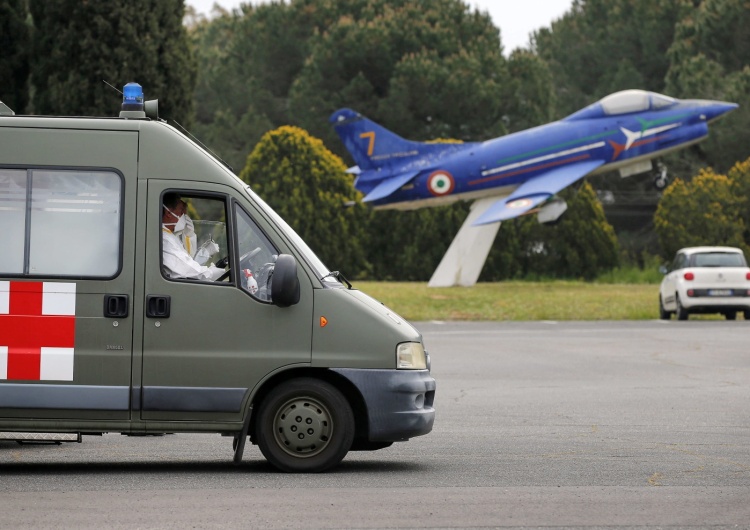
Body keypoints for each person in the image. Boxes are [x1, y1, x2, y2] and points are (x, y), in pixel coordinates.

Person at [162, 194, 225, 281]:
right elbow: (186, 270)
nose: (185, 216)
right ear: (168, 213)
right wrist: (210, 273)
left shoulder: (169, 236)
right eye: (181, 212)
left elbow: (187, 263)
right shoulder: (165, 240)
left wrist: (205, 253)